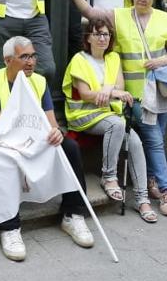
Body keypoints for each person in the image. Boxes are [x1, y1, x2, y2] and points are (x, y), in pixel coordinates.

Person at [69, 0, 167, 216]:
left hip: (157, 92)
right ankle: (165, 190)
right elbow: (91, 12)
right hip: (131, 96)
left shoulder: (163, 18)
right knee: (153, 142)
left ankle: (151, 183)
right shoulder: (119, 16)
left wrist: (160, 60)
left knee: (155, 140)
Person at [0, 37, 93, 261]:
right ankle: (9, 226)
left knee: (68, 146)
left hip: (33, 142)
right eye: (24, 57)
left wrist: (55, 132)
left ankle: (72, 214)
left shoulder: (39, 82)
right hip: (0, 144)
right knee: (7, 157)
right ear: (7, 60)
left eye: (33, 56)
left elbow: (51, 123)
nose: (30, 62)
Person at [62, 17, 153, 221]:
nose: (102, 38)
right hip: (83, 116)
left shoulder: (113, 58)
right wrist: (110, 92)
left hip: (108, 114)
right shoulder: (79, 59)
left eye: (106, 34)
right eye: (97, 34)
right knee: (117, 124)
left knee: (136, 142)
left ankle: (142, 198)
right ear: (88, 37)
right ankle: (109, 176)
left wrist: (107, 90)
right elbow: (85, 94)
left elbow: (120, 87)